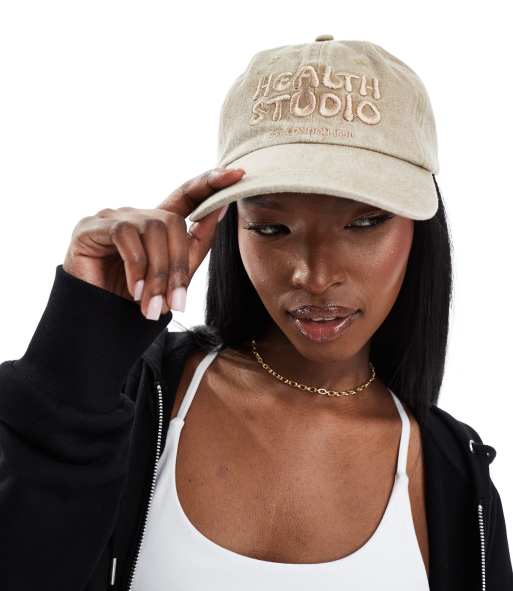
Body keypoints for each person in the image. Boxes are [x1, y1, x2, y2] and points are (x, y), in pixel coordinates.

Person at [0, 36, 511, 591]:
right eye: (272, 228)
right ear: (230, 226)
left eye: (363, 223)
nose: (315, 275)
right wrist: (80, 350)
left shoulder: (454, 481)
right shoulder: (134, 397)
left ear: (420, 228)